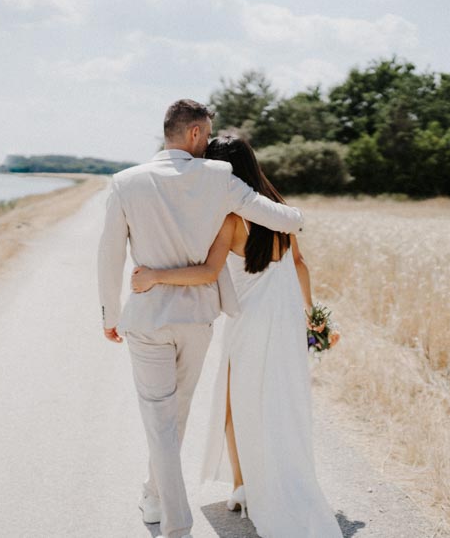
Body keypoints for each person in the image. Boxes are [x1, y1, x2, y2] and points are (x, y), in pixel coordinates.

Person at [97, 100, 304, 538]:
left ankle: (176, 525)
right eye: (206, 134)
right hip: (197, 318)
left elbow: (109, 257)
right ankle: (154, 495)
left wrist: (109, 316)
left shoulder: (125, 182)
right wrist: (295, 216)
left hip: (148, 318)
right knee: (175, 415)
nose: (207, 143)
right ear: (193, 134)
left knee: (160, 419)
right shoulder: (220, 179)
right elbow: (284, 220)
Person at [131, 134, 342, 538]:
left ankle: (245, 486)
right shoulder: (278, 210)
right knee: (281, 403)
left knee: (235, 405)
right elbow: (299, 263)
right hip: (282, 319)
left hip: (249, 322)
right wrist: (312, 314)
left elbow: (208, 272)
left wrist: (155, 275)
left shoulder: (231, 218)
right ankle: (273, 482)